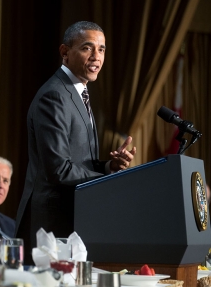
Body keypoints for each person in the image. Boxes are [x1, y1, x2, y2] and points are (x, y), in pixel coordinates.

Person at [14, 21, 137, 265]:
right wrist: (110, 180)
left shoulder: (79, 92)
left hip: (74, 218)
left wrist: (108, 167)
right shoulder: (55, 95)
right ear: (64, 53)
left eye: (101, 49)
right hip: (51, 225)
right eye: (87, 48)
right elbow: (59, 168)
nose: (96, 56)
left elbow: (80, 161)